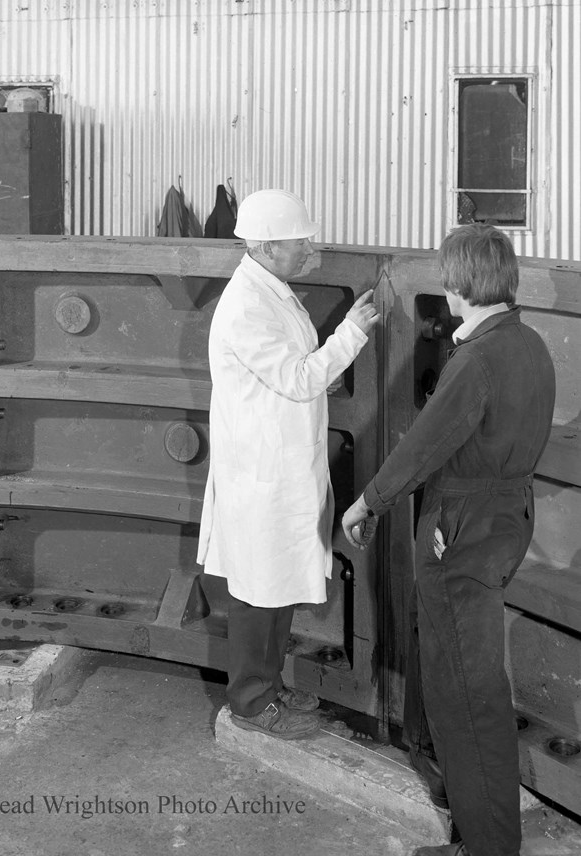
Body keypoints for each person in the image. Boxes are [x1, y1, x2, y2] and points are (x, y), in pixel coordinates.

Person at [342, 224, 556, 856]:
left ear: (462, 281)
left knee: (468, 692)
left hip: (459, 532)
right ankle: (473, 824)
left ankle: (487, 846)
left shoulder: (476, 360)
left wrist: (368, 501)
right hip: (505, 521)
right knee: (463, 679)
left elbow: (422, 445)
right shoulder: (531, 345)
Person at [197, 189, 380, 739]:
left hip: (276, 467)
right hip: (261, 473)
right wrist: (353, 331)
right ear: (268, 245)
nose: (311, 249)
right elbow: (300, 378)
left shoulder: (269, 288)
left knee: (273, 586)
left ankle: (267, 687)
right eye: (302, 240)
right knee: (257, 592)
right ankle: (251, 703)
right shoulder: (248, 305)